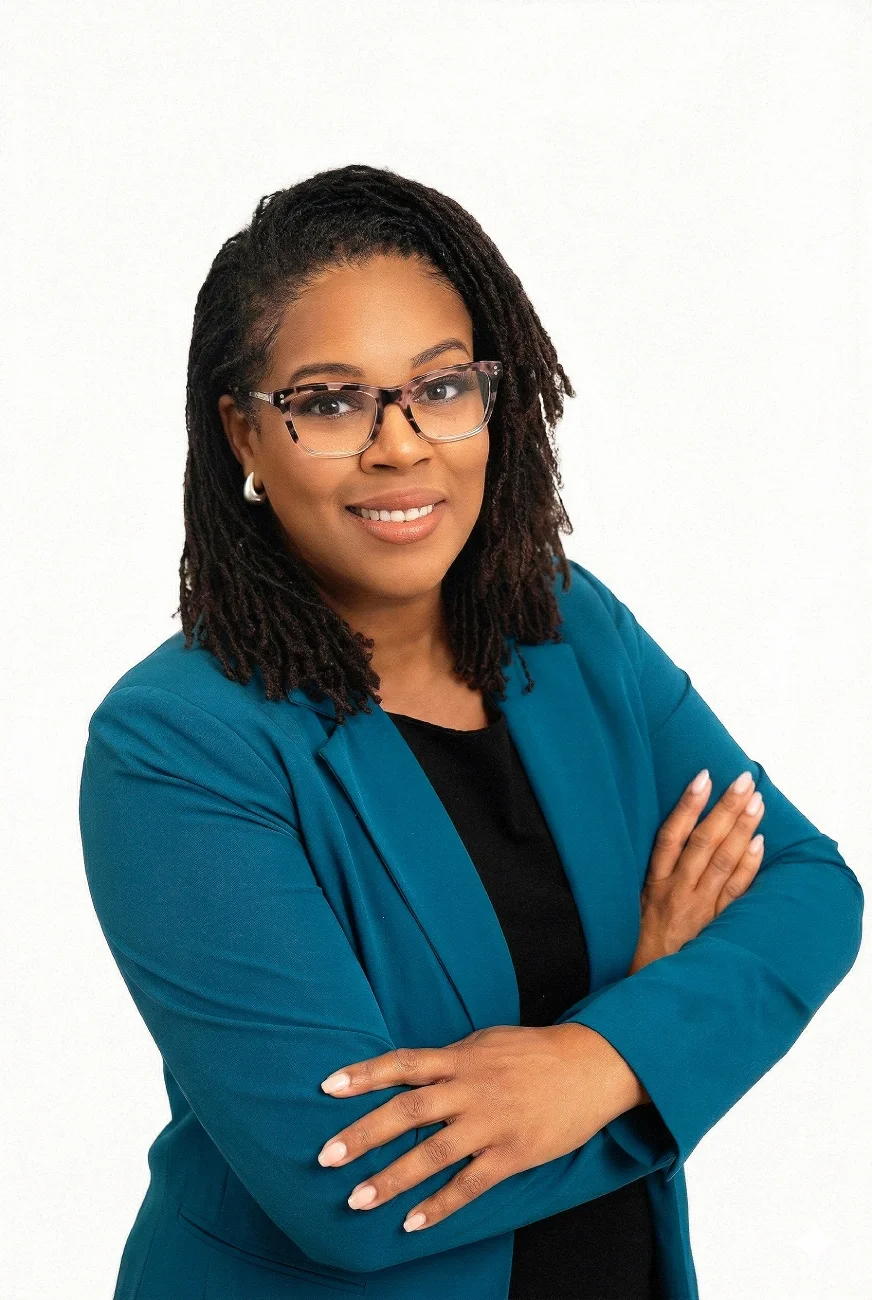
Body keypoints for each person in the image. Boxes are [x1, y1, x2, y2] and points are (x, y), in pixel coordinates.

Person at [78, 163, 863, 1300]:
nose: (400, 445)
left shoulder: (569, 628)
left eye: (440, 387)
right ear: (244, 434)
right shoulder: (177, 747)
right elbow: (358, 1189)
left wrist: (593, 1063)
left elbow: (808, 889)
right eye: (330, 402)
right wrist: (659, 1044)